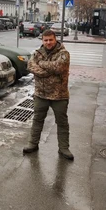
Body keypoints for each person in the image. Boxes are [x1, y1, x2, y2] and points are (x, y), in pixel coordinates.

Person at [23, 29, 73, 160]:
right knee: (37, 120)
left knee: (62, 122)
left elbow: (59, 67)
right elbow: (30, 66)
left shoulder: (64, 53)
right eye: (46, 40)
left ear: (55, 39)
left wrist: (41, 64)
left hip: (59, 95)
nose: (48, 42)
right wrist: (46, 71)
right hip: (41, 94)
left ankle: (64, 148)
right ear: (42, 41)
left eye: (51, 39)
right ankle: (32, 144)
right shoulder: (37, 53)